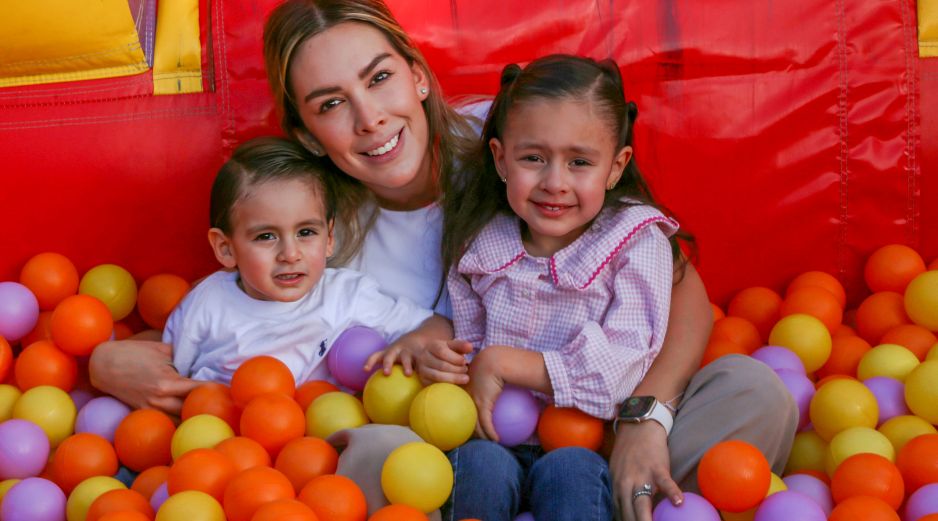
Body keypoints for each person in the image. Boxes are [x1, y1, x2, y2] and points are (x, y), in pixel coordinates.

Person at [88, 1, 797, 520]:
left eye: (380, 79)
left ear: (418, 77)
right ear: (306, 133)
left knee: (754, 389)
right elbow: (243, 325)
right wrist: (111, 359)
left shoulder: (521, 144)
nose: (370, 119)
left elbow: (679, 289)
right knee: (370, 451)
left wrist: (648, 420)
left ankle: (610, 485)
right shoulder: (318, 230)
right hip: (463, 451)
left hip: (607, 419)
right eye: (333, 104)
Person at [164, 136, 438, 384]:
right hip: (229, 434)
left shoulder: (345, 295)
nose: (290, 254)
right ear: (226, 248)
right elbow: (165, 373)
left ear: (329, 238)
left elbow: (437, 325)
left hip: (330, 434)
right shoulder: (206, 305)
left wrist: (416, 343)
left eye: (306, 232)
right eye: (266, 236)